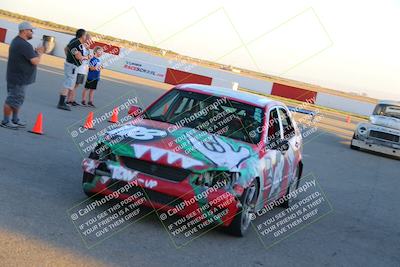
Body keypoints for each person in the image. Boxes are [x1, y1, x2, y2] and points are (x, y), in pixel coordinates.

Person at [1, 21, 44, 129]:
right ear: (24, 31)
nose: (32, 32)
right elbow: (35, 61)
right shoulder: (24, 44)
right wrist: (40, 53)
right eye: (31, 30)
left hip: (17, 76)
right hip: (19, 78)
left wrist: (35, 52)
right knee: (12, 100)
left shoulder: (17, 41)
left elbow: (25, 56)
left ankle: (15, 119)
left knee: (17, 99)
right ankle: (6, 121)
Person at [57, 29, 88, 111]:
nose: (86, 37)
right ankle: (61, 103)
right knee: (68, 83)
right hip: (72, 66)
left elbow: (66, 49)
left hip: (70, 64)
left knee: (68, 83)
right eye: (85, 35)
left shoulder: (74, 41)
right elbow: (78, 56)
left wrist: (69, 57)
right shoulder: (76, 43)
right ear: (82, 36)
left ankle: (62, 100)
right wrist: (85, 57)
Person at [66, 34, 91, 106]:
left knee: (76, 85)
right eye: (89, 39)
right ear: (85, 38)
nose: (90, 41)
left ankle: (72, 100)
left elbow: (87, 58)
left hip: (83, 70)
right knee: (73, 85)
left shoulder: (87, 48)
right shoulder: (80, 46)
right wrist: (87, 57)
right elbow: (79, 57)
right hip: (78, 68)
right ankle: (69, 100)